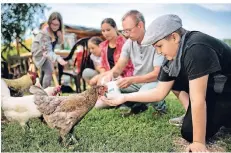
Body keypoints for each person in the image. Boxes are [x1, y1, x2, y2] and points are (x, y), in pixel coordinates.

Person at [101, 14, 231, 152]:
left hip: (226, 91)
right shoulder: (170, 59)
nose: (159, 52)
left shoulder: (196, 47)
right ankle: (194, 113)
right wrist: (124, 97)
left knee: (192, 133)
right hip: (213, 89)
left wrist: (198, 142)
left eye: (159, 46)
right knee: (188, 125)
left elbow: (197, 98)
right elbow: (159, 92)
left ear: (174, 37)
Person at [100, 10, 166, 115]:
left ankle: (161, 107)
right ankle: (135, 103)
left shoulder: (156, 41)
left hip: (154, 82)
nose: (126, 34)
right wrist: (110, 76)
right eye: (124, 31)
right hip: (136, 83)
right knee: (100, 103)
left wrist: (132, 79)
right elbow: (119, 67)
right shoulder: (129, 43)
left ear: (140, 25)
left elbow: (157, 74)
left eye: (129, 30)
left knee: (144, 93)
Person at [95, 18, 134, 109]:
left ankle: (119, 100)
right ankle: (110, 99)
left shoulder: (124, 43)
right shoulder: (103, 46)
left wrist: (107, 75)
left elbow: (125, 66)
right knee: (98, 105)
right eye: (103, 31)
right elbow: (103, 65)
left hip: (123, 75)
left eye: (108, 30)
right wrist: (102, 76)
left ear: (115, 28)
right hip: (109, 76)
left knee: (111, 81)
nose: (105, 33)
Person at [31, 12, 67, 88]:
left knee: (44, 72)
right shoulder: (45, 33)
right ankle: (45, 93)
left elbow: (59, 43)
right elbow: (47, 51)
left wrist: (60, 36)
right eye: (52, 24)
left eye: (57, 25)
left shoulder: (56, 32)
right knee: (49, 71)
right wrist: (58, 58)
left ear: (60, 24)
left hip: (46, 53)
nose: (54, 27)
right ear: (49, 22)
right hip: (40, 53)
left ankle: (40, 92)